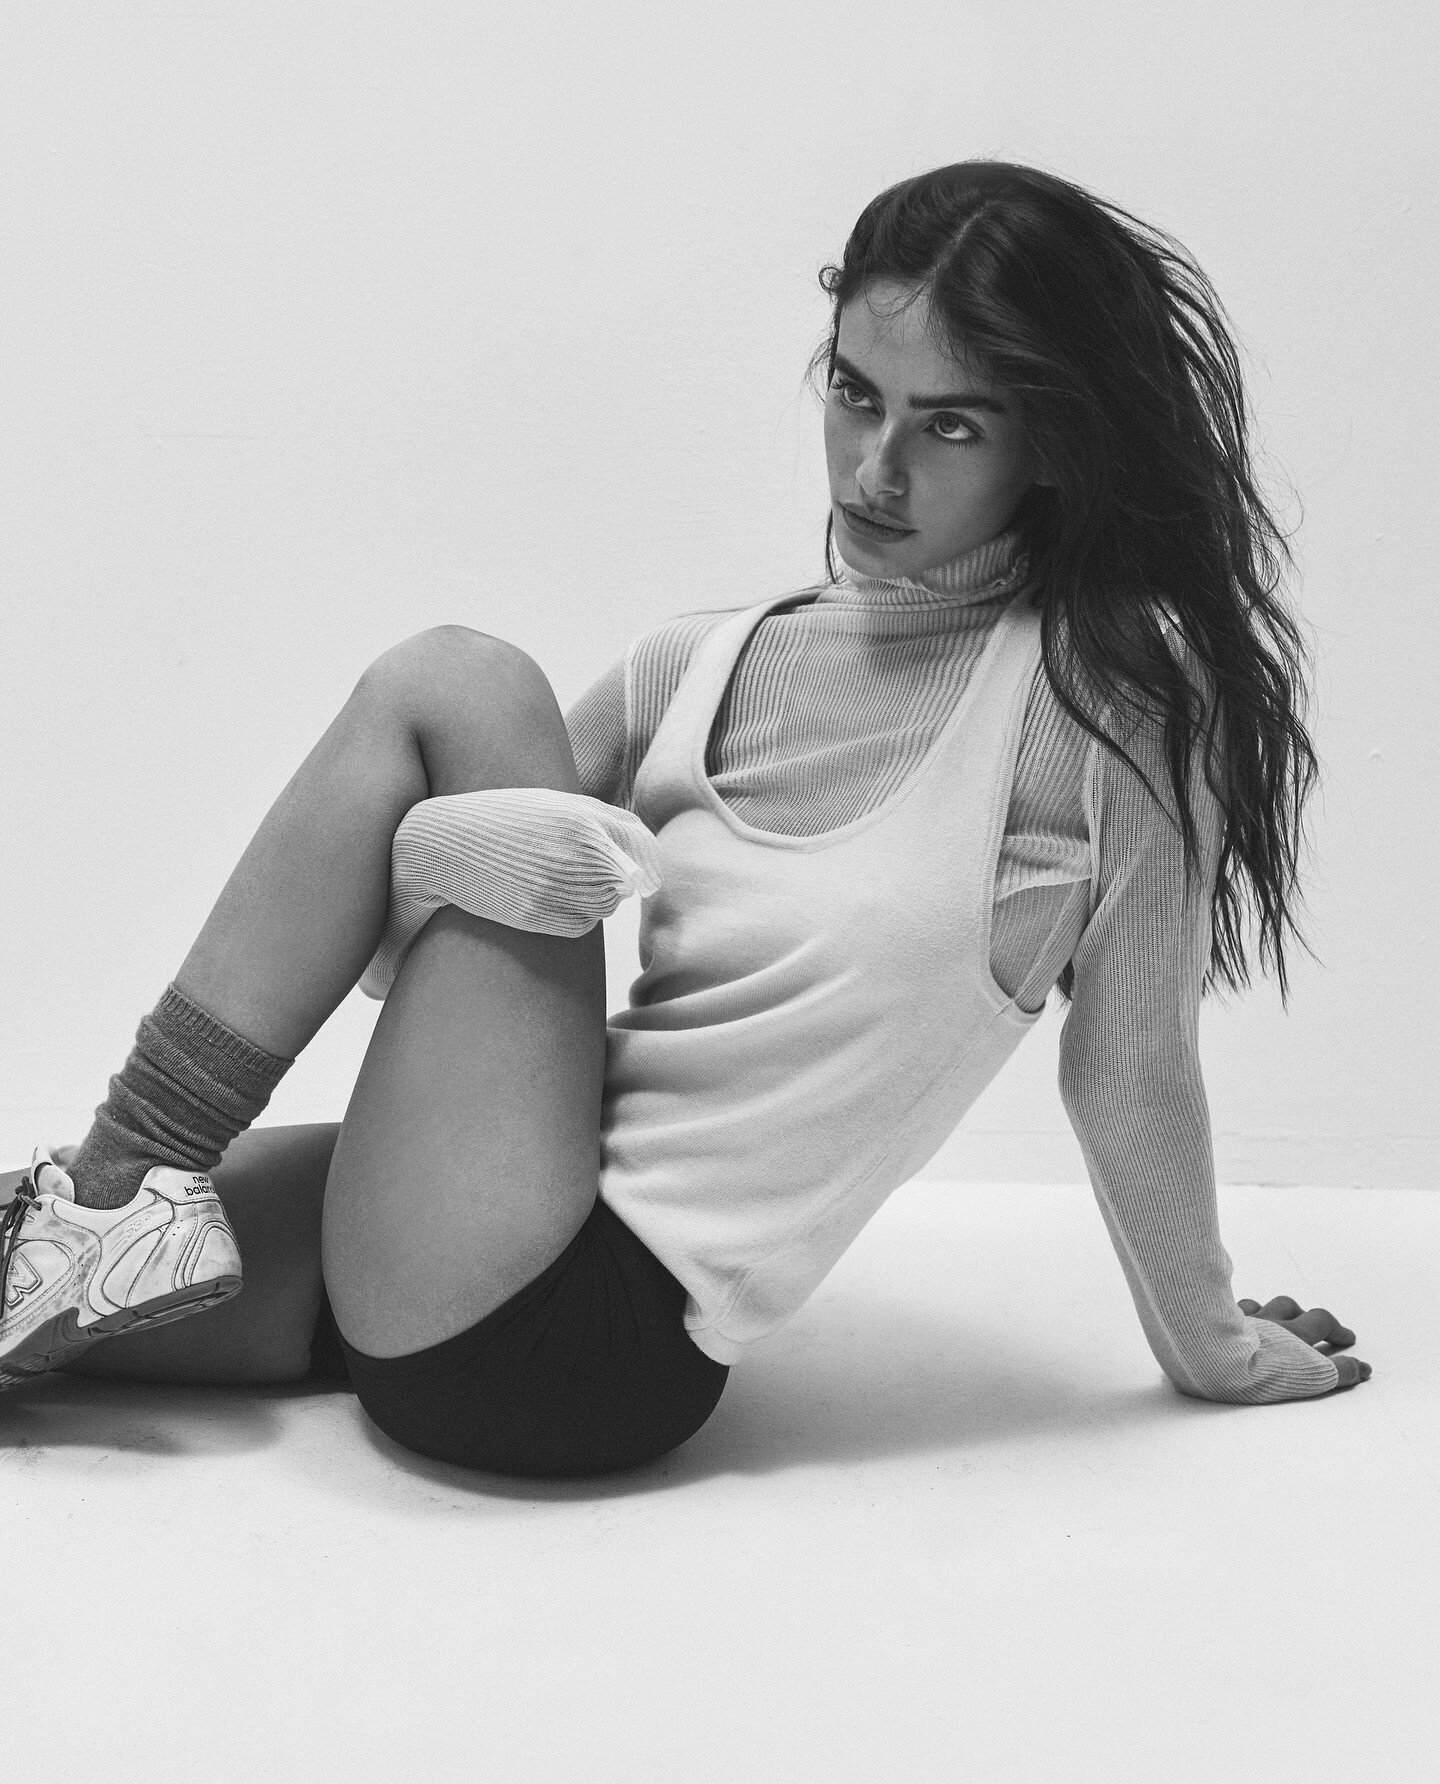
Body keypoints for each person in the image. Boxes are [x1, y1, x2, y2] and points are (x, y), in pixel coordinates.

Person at [0, 161, 1370, 1479]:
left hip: (579, 1345)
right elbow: (392, 963)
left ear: (1052, 445)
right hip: (479, 1211)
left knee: (461, 685)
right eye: (856, 395)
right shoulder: (700, 666)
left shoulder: (1107, 699)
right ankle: (103, 1214)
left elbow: (1125, 1070)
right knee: (10, 1244)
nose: (877, 469)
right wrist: (463, 856)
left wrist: (1213, 1344)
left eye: (951, 425)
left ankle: (114, 1200)